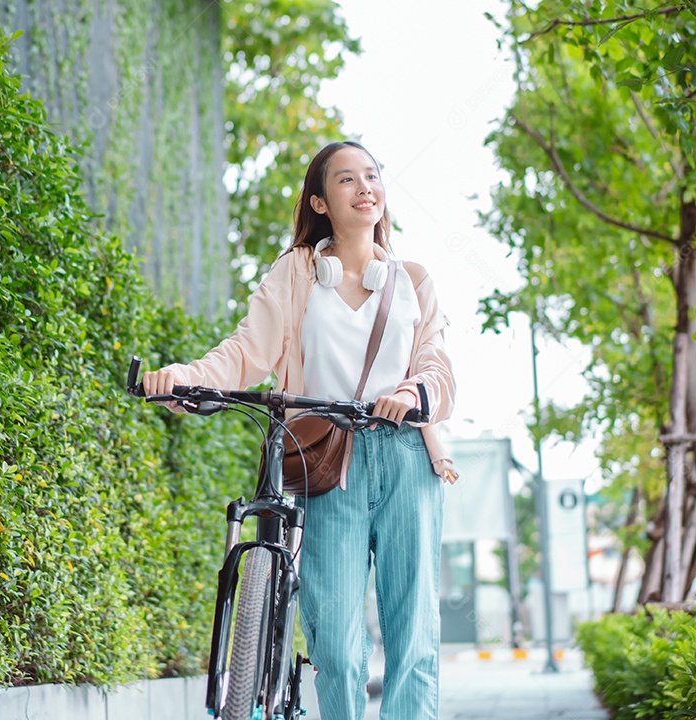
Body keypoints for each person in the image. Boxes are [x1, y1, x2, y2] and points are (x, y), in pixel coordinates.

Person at [142, 140, 456, 720]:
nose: (365, 187)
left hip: (408, 457)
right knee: (334, 643)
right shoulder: (298, 273)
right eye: (346, 180)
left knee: (414, 637)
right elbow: (245, 350)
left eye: (372, 176)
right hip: (326, 458)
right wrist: (182, 380)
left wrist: (414, 393)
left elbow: (437, 363)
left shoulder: (413, 280)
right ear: (319, 202)